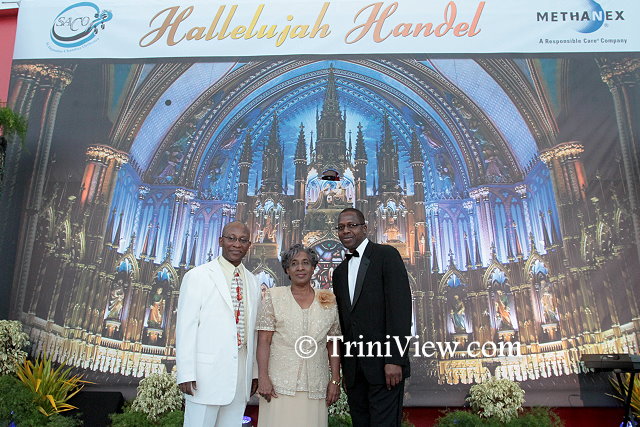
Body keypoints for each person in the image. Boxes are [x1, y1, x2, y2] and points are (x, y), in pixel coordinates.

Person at [332, 208, 412, 427]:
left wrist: (394, 359)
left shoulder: (386, 255)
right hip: (355, 371)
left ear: (365, 228)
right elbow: (345, 322)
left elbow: (400, 309)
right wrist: (347, 370)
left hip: (385, 366)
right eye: (341, 227)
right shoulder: (339, 272)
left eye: (351, 225)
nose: (345, 231)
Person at [176, 221, 260, 427]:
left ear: (249, 245)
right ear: (221, 241)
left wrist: (254, 373)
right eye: (231, 238)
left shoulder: (253, 281)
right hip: (205, 377)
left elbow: (254, 333)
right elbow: (186, 328)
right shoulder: (198, 276)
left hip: (240, 377)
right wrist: (186, 372)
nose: (237, 244)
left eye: (243, 240)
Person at [256, 244, 341, 427]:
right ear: (287, 269)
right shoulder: (273, 296)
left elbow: (333, 342)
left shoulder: (328, 299)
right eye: (294, 263)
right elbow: (264, 340)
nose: (300, 268)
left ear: (313, 267)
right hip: (278, 385)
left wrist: (335, 379)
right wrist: (262, 377)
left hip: (316, 385)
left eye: (305, 263)